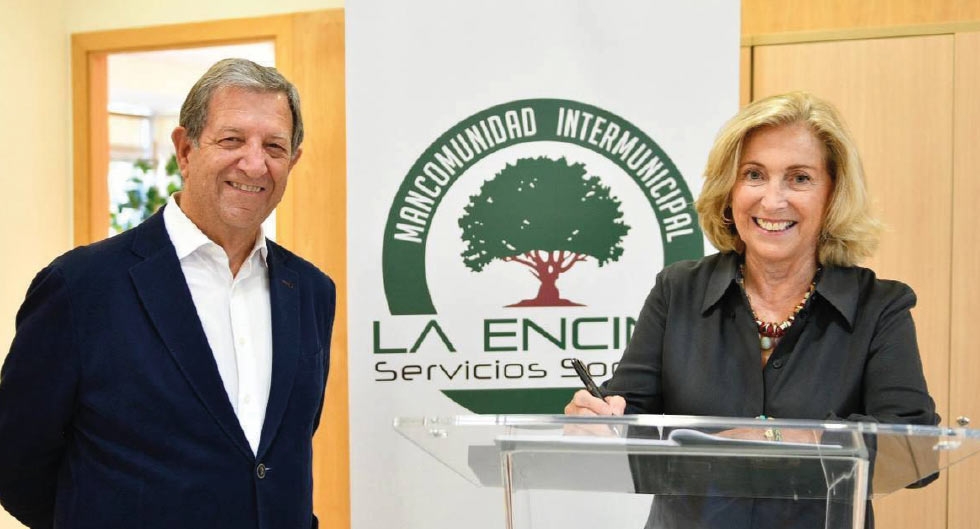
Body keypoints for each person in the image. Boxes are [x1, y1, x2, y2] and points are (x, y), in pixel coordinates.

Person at [565, 91, 938, 527]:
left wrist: (782, 437)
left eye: (799, 178)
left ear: (832, 194)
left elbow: (915, 451)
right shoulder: (677, 291)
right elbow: (630, 416)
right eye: (754, 175)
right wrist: (598, 421)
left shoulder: (879, 306)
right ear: (730, 189)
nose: (773, 201)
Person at [0, 58, 335, 529]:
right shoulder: (81, 287)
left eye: (274, 146)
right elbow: (15, 463)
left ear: (292, 161)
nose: (254, 163)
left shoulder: (311, 291)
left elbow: (281, 455)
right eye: (232, 140)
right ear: (185, 149)